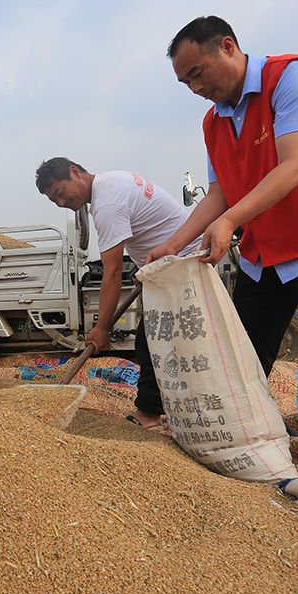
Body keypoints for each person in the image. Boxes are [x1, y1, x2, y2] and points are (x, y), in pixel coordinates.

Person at [149, 16, 298, 478]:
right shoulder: (214, 123)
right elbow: (219, 194)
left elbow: (295, 165)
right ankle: (240, 440)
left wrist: (231, 221)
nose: (194, 87)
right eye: (184, 81)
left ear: (228, 47)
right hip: (267, 247)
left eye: (197, 73)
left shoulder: (296, 77)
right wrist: (172, 245)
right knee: (243, 346)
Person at [36, 158, 201, 429]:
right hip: (167, 268)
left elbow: (111, 272)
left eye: (60, 193)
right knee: (159, 342)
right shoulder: (111, 182)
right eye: (54, 201)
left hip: (180, 267)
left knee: (152, 343)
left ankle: (149, 414)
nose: (61, 203)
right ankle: (170, 407)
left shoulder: (107, 204)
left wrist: (102, 328)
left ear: (75, 173)